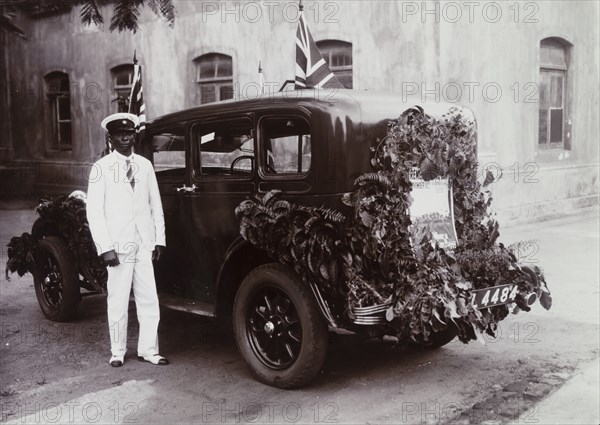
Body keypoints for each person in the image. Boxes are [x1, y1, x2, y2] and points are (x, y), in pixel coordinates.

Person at [86, 112, 168, 367]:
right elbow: (95, 211)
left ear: (135, 135)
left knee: (148, 298)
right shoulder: (101, 168)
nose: (125, 138)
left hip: (143, 242)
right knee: (118, 299)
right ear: (110, 138)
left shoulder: (144, 166)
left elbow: (155, 204)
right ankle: (118, 351)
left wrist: (159, 240)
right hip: (118, 245)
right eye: (120, 134)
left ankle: (149, 350)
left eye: (129, 133)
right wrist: (105, 247)